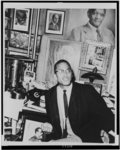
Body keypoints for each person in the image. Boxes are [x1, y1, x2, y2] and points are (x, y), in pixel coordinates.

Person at [44, 59, 114, 143]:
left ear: (72, 73)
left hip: (83, 139)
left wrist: (106, 133)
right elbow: (50, 119)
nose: (66, 75)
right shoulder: (49, 95)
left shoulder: (86, 91)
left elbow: (106, 114)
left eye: (68, 71)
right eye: (61, 71)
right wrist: (48, 125)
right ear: (55, 75)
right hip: (60, 138)